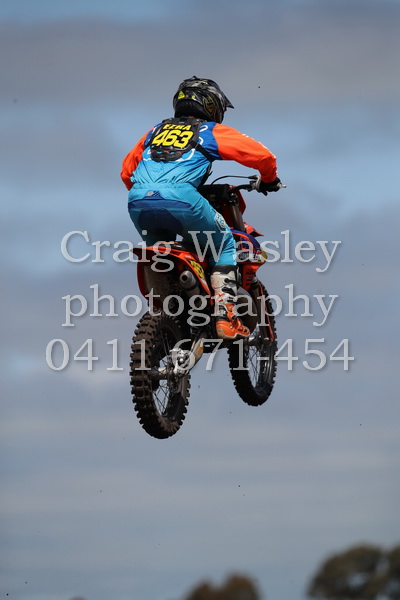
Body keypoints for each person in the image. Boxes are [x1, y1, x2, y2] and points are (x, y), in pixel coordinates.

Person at [121, 76, 282, 341]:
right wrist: (270, 179)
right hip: (182, 198)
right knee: (224, 245)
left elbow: (127, 172)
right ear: (211, 105)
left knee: (161, 255)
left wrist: (151, 192)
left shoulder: (154, 132)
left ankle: (172, 318)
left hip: (138, 200)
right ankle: (226, 316)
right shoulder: (209, 131)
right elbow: (263, 156)